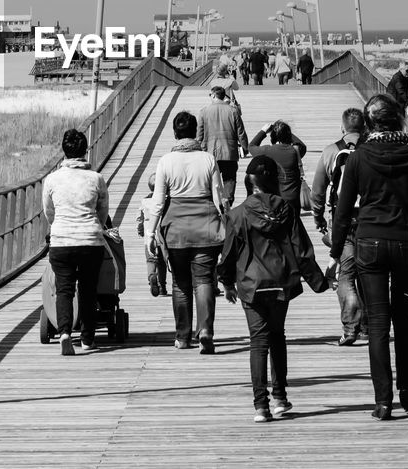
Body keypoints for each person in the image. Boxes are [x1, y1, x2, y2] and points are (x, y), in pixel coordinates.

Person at [327, 93, 408, 420]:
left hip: (368, 245)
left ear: (369, 123)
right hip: (404, 244)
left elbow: (343, 212)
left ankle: (383, 401)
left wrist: (334, 255)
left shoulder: (359, 157)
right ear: (398, 119)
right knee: (404, 317)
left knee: (377, 322)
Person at [218, 156, 330, 423]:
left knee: (258, 342)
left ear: (249, 181)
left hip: (251, 284)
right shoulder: (287, 210)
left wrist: (226, 281)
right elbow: (301, 249)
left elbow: (229, 253)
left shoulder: (238, 214)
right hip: (280, 281)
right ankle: (279, 397)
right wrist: (319, 281)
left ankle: (261, 406)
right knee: (277, 336)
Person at [147, 111, 225, 353]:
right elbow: (219, 197)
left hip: (176, 231)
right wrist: (227, 224)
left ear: (175, 133)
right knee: (203, 281)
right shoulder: (208, 159)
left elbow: (158, 201)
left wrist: (150, 232)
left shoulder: (166, 161)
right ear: (195, 133)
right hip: (207, 227)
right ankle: (206, 330)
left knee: (180, 284)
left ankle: (183, 336)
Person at [42, 128, 112, 356]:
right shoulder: (96, 179)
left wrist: (59, 226)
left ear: (64, 151)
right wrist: (96, 227)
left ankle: (64, 333)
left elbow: (48, 212)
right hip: (90, 240)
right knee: (88, 290)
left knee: (64, 290)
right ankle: (88, 338)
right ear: (85, 151)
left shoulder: (51, 179)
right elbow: (102, 212)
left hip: (61, 240)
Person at [311, 107, 367, 345]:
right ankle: (367, 325)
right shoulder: (372, 149)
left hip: (341, 221)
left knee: (345, 274)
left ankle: (351, 325)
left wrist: (318, 217)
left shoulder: (331, 151)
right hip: (369, 219)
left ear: (342, 128)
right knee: (367, 272)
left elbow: (317, 190)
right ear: (364, 128)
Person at [197, 85, 249, 207]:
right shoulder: (233, 111)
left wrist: (197, 150)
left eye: (210, 95)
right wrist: (245, 148)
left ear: (214, 95)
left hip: (210, 152)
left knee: (210, 179)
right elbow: (241, 132)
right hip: (229, 151)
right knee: (229, 178)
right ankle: (227, 201)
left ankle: (213, 203)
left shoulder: (204, 112)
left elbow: (199, 135)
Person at [248, 121, 308, 211]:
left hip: (274, 199)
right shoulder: (295, 151)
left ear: (273, 137)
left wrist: (263, 131)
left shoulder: (267, 151)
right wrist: (284, 131)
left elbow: (251, 147)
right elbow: (301, 145)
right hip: (293, 198)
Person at [136, 174, 169, 297]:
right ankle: (163, 287)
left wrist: (140, 230)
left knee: (150, 260)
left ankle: (151, 277)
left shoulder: (144, 201)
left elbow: (140, 219)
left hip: (149, 237)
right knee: (162, 262)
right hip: (163, 237)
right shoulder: (167, 201)